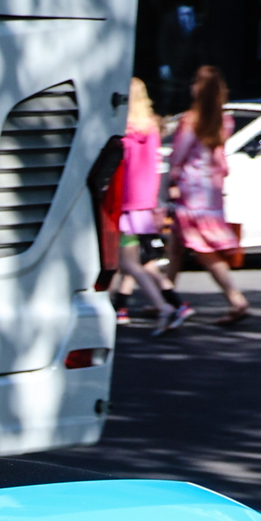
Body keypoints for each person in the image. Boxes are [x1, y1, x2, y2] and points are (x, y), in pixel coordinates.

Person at [168, 65, 252, 326]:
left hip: (192, 191)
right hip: (211, 192)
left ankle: (234, 297)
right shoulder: (224, 119)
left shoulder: (191, 119)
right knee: (176, 243)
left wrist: (171, 178)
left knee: (201, 249)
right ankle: (165, 296)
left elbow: (178, 154)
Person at [114, 77, 185, 334]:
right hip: (145, 203)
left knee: (129, 263)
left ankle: (164, 307)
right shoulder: (152, 130)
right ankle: (170, 304)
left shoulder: (126, 132)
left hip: (125, 204)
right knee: (142, 262)